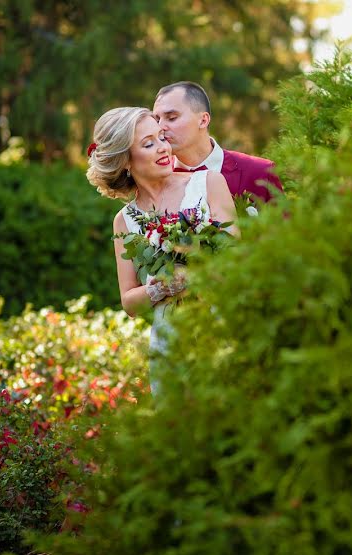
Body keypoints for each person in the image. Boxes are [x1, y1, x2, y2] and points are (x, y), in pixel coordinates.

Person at [85, 106, 238, 390]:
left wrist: (197, 267)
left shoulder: (209, 184)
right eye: (148, 143)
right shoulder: (124, 221)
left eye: (161, 138)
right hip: (170, 346)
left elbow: (239, 262)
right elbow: (129, 301)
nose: (162, 148)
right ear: (125, 160)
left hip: (222, 328)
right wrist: (160, 286)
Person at [153, 81, 283, 203]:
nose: (160, 127)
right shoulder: (154, 179)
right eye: (157, 120)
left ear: (203, 120)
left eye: (171, 118)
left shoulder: (260, 173)